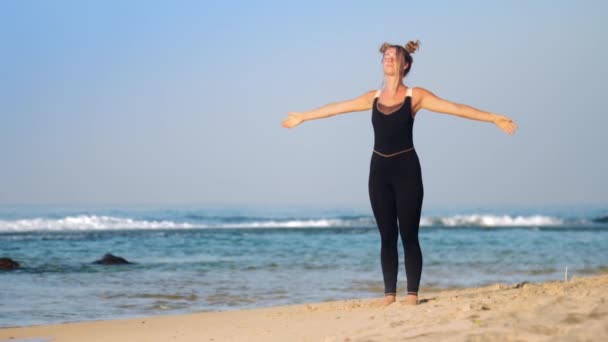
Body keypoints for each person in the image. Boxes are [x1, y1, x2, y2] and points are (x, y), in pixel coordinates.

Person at [281, 40, 518, 307]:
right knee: (386, 235)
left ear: (405, 64)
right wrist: (303, 116)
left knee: (408, 234)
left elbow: (457, 108)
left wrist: (494, 117)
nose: (388, 59)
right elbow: (336, 107)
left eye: (394, 56)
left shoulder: (415, 96)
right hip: (378, 173)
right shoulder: (372, 98)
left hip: (407, 172)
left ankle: (412, 295)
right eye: (386, 56)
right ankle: (389, 294)